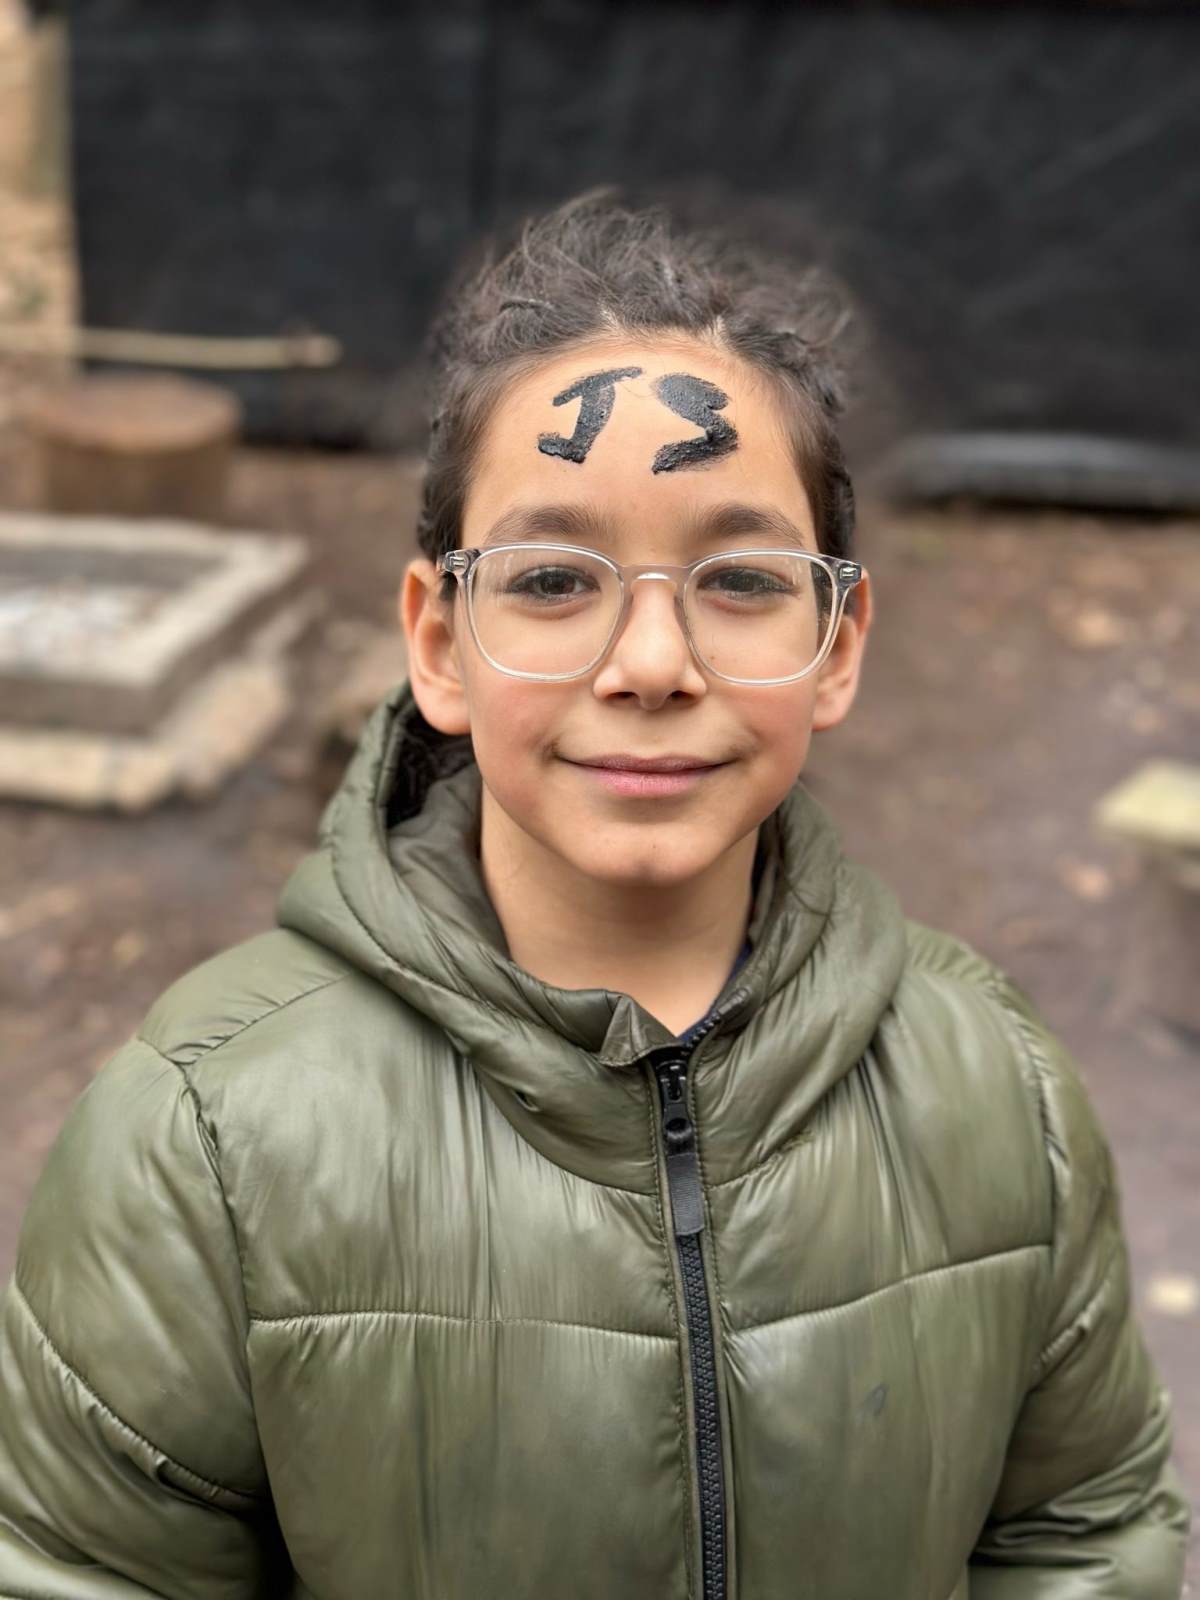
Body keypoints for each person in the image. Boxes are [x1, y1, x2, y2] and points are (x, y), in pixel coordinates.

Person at [0, 191, 1189, 1599]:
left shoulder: (997, 1090)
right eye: (556, 578)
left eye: (740, 579)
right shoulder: (203, 1133)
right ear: (439, 641)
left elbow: (1081, 1537)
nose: (651, 663)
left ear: (837, 642)